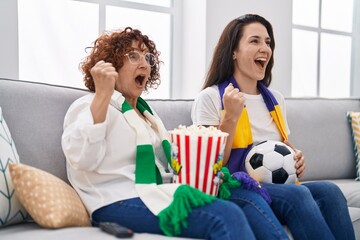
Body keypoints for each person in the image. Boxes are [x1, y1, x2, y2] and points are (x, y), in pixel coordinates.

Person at [61, 27, 257, 239]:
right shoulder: (89, 104)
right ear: (112, 65)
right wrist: (102, 95)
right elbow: (81, 159)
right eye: (133, 55)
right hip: (115, 200)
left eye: (148, 58)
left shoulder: (148, 114)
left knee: (247, 199)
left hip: (161, 191)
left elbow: (173, 162)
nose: (145, 64)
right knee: (225, 215)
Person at [191, 14, 355, 240]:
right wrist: (230, 117)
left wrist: (296, 157)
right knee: (297, 195)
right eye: (255, 41)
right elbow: (211, 167)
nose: (265, 49)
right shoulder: (210, 98)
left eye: (268, 42)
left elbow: (282, 146)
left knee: (331, 191)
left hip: (273, 185)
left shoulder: (275, 99)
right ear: (233, 52)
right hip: (233, 186)